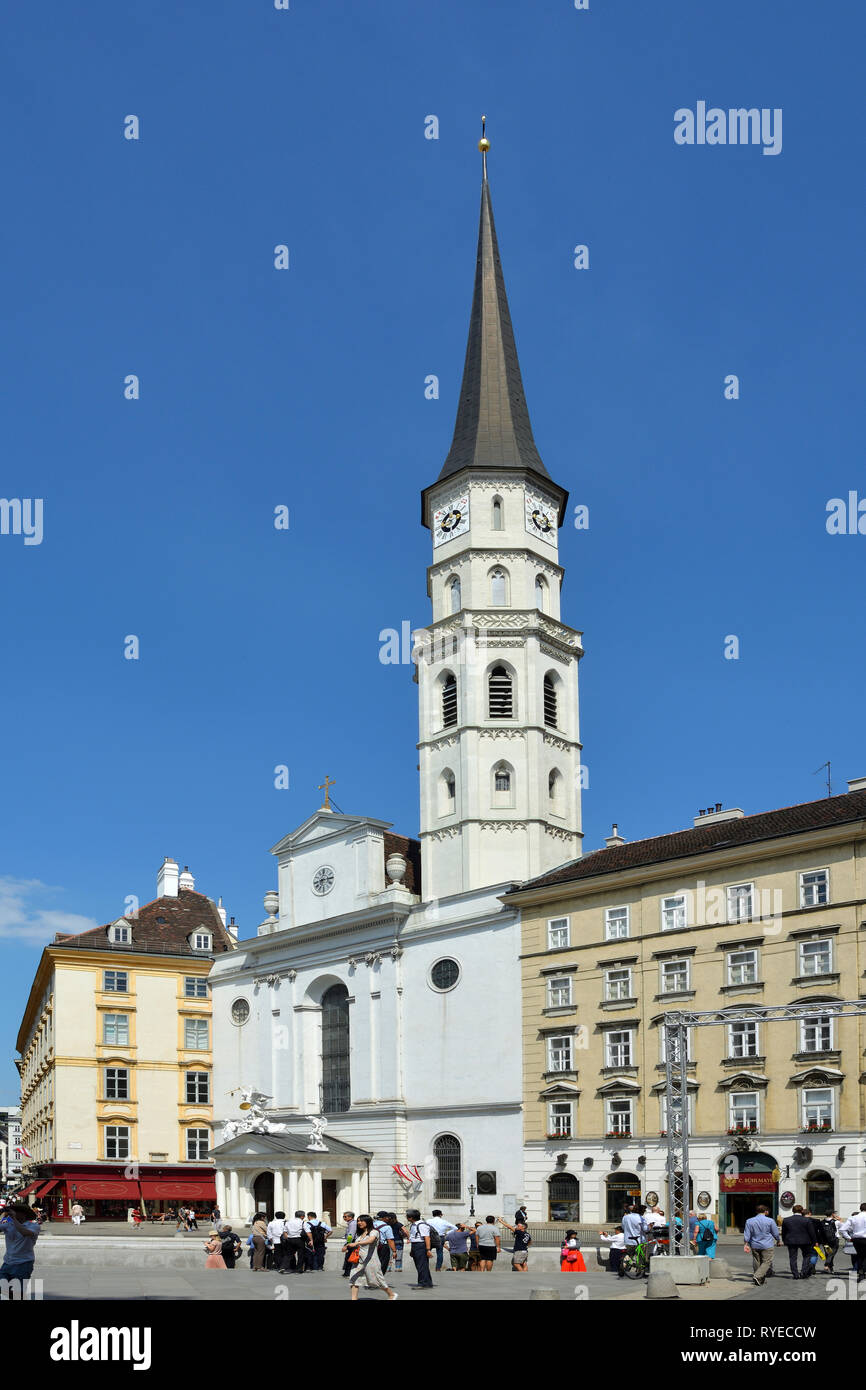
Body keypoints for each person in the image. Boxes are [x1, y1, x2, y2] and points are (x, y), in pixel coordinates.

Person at [343, 1215, 398, 1301]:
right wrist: (347, 1246)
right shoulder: (360, 1233)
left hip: (371, 1261)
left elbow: (370, 1240)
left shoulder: (374, 1232)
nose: (359, 1223)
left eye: (361, 1221)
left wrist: (356, 1243)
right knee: (354, 1278)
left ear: (368, 1222)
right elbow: (357, 1244)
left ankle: (391, 1294)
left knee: (377, 1280)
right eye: (358, 1221)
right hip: (359, 1260)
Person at [0, 1203, 40, 1296]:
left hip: (24, 1263)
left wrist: (13, 1218)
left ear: (24, 1214)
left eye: (16, 1212)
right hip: (8, 1262)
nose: (14, 1213)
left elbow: (24, 1232)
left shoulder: (34, 1226)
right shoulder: (8, 1224)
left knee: (18, 1292)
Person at [743, 1205, 781, 1285]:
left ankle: (760, 1279)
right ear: (766, 1211)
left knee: (757, 1261)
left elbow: (747, 1234)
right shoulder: (770, 1221)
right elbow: (775, 1233)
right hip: (767, 1244)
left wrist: (746, 1244)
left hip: (754, 1244)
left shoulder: (749, 1221)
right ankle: (757, 1276)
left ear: (756, 1211)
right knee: (767, 1261)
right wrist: (778, 1240)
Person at [781, 1205, 818, 1279]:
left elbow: (784, 1232)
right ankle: (803, 1272)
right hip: (805, 1241)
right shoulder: (807, 1220)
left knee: (792, 1258)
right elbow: (812, 1232)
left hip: (791, 1241)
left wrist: (784, 1240)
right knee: (806, 1256)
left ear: (793, 1211)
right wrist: (815, 1241)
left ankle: (795, 1274)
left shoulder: (786, 1220)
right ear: (802, 1211)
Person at [406, 1207, 434, 1288]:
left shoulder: (421, 1225)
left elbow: (427, 1238)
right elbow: (413, 1238)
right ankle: (428, 1283)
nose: (406, 1218)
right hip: (415, 1246)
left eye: (407, 1216)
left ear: (411, 1217)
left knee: (421, 1265)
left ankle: (422, 1283)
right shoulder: (414, 1225)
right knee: (421, 1265)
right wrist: (412, 1250)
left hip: (421, 1246)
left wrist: (428, 1250)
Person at [840, 1203, 866, 1281]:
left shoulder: (853, 1217)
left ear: (860, 1209)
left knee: (860, 1255)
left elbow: (842, 1229)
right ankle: (862, 1271)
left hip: (856, 1239)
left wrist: (849, 1238)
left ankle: (861, 1272)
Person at [341, 1211, 357, 1277]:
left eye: (345, 1216)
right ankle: (347, 1272)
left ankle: (348, 1273)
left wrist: (347, 1244)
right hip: (352, 1241)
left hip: (352, 1242)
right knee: (348, 1257)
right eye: (343, 1216)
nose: (344, 1218)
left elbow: (351, 1234)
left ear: (350, 1217)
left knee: (349, 1257)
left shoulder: (352, 1224)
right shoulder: (351, 1223)